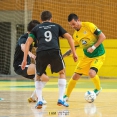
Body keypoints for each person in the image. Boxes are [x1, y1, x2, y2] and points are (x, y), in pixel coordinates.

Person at [21, 10, 77, 109]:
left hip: (41, 52)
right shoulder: (56, 26)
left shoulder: (36, 28)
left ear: (41, 20)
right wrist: (74, 53)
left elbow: (27, 43)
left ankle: (39, 101)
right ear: (51, 19)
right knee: (62, 72)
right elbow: (69, 37)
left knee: (38, 76)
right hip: (54, 51)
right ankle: (60, 99)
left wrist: (25, 59)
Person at [63, 13, 106, 101]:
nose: (73, 26)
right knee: (75, 76)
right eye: (71, 25)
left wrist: (93, 47)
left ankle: (98, 88)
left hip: (99, 55)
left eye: (74, 24)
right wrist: (61, 57)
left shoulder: (89, 26)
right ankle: (66, 96)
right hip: (86, 57)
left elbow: (103, 37)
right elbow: (73, 49)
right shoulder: (76, 35)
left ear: (78, 20)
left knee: (91, 73)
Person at [13, 20, 47, 104]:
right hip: (20, 66)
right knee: (38, 70)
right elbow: (23, 47)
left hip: (27, 66)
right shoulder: (23, 38)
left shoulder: (34, 39)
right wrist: (30, 54)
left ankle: (33, 97)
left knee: (44, 77)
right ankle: (39, 97)